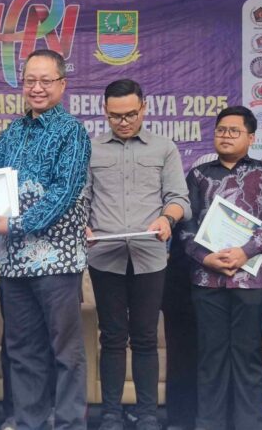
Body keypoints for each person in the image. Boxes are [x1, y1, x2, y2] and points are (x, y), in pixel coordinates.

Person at [0, 49, 91, 430]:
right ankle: (30, 423)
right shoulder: (15, 130)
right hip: (14, 265)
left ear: (62, 85)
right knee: (22, 352)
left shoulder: (73, 132)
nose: (37, 87)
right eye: (30, 80)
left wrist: (13, 225)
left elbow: (63, 194)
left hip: (57, 262)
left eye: (46, 80)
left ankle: (69, 425)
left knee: (65, 353)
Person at [83, 79, 190, 430]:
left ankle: (147, 415)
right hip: (105, 257)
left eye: (131, 114)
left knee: (145, 338)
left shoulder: (164, 148)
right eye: (116, 116)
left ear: (144, 108)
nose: (124, 122)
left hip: (150, 257)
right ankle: (110, 414)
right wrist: (82, 226)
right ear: (104, 111)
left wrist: (167, 218)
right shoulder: (91, 149)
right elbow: (82, 198)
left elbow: (179, 198)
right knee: (112, 338)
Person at [180, 106, 262, 430]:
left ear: (251, 137)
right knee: (210, 356)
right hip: (206, 278)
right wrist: (204, 257)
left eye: (234, 131)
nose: (225, 136)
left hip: (252, 280)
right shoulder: (198, 175)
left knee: (248, 355)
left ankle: (250, 424)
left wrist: (245, 252)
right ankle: (209, 424)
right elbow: (185, 223)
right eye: (221, 130)